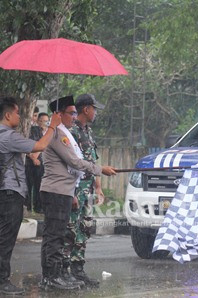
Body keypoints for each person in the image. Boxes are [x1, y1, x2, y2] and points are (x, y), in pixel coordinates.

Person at [39, 95, 116, 291]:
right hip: (60, 190)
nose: (74, 116)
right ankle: (55, 275)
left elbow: (83, 160)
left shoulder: (69, 133)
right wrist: (100, 170)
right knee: (60, 235)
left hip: (71, 189)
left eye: (74, 113)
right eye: (71, 113)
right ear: (60, 114)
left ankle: (65, 272)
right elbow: (74, 162)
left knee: (76, 231)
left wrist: (97, 185)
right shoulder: (59, 133)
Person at [0, 96, 61, 295]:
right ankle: (0, 281)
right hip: (10, 192)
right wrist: (52, 127)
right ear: (8, 114)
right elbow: (39, 146)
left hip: (0, 192)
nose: (20, 117)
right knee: (6, 238)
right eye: (18, 113)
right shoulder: (8, 136)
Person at [63, 94, 106, 286]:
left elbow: (92, 161)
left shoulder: (88, 132)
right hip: (75, 187)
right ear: (86, 109)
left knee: (84, 228)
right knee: (70, 228)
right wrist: (71, 192)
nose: (95, 112)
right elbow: (68, 164)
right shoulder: (71, 132)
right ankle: (64, 270)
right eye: (94, 108)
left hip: (87, 188)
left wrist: (98, 186)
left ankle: (78, 269)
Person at [25, 112, 49, 213]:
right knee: (28, 185)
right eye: (42, 121)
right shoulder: (33, 131)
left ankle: (38, 207)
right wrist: (33, 158)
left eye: (46, 122)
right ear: (38, 121)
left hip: (41, 163)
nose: (44, 123)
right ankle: (27, 206)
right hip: (30, 163)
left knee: (39, 185)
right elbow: (28, 147)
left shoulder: (49, 133)